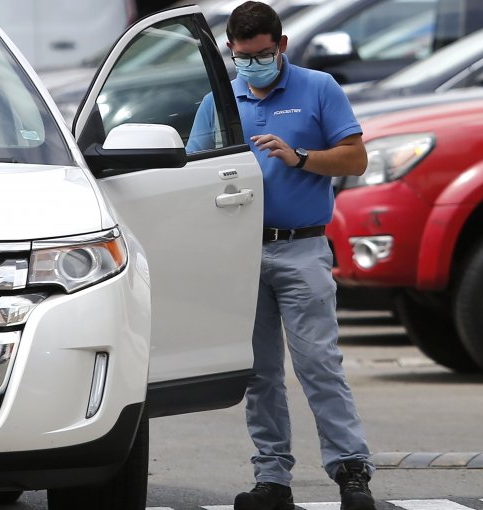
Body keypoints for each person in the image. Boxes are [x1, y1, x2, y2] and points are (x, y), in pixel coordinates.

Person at [187, 3, 375, 510]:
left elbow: (356, 157)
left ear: (282, 46)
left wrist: (300, 157)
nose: (253, 65)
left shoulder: (318, 88)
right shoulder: (220, 101)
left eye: (263, 54)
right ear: (231, 51)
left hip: (302, 247)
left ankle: (351, 472)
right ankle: (273, 480)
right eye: (243, 56)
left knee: (318, 363)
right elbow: (193, 176)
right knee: (259, 373)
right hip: (242, 253)